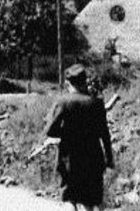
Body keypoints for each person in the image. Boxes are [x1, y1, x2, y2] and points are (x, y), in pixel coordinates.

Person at [44, 64, 114, 211]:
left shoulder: (63, 102)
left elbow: (50, 130)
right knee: (91, 201)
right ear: (84, 82)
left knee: (70, 199)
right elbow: (105, 134)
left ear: (68, 83)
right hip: (94, 158)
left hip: (71, 159)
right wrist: (109, 158)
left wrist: (67, 132)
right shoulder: (97, 103)